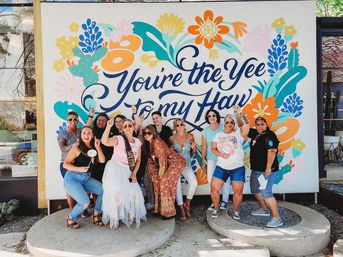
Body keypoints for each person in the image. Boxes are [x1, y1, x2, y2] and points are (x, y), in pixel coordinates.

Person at [101, 118, 147, 229]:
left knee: (136, 193)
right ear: (122, 128)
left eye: (129, 125)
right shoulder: (119, 139)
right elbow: (105, 142)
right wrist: (108, 127)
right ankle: (114, 219)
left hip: (128, 170)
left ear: (133, 127)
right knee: (116, 195)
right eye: (125, 126)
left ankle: (132, 214)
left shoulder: (138, 142)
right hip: (115, 168)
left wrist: (134, 174)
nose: (127, 128)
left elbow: (138, 161)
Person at [210, 106, 249, 220]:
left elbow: (246, 125)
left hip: (237, 168)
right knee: (214, 189)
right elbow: (213, 149)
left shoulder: (238, 134)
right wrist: (221, 154)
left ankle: (236, 211)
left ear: (234, 124)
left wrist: (240, 113)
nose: (229, 123)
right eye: (227, 122)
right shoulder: (218, 135)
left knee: (238, 191)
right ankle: (216, 209)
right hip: (221, 167)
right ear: (224, 123)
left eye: (232, 122)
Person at [63, 125, 105, 229]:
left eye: (89, 133)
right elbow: (65, 164)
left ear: (93, 135)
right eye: (84, 133)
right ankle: (71, 219)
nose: (86, 135)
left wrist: (98, 147)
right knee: (85, 203)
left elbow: (102, 160)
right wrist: (79, 169)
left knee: (103, 190)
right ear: (80, 135)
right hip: (73, 178)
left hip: (86, 178)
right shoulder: (76, 148)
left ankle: (96, 214)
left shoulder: (94, 147)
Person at [247, 116, 283, 228]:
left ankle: (277, 218)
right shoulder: (255, 134)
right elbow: (242, 127)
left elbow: (272, 151)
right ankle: (263, 209)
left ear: (266, 125)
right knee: (255, 190)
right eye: (257, 124)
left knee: (266, 193)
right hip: (256, 170)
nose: (259, 126)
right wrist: (239, 114)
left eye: (262, 124)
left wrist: (268, 168)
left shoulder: (270, 135)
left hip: (267, 171)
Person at [143, 125, 185, 219]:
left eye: (149, 133)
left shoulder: (157, 142)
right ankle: (159, 209)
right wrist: (154, 175)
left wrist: (160, 175)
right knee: (159, 182)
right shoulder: (148, 144)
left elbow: (162, 160)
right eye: (145, 133)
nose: (147, 135)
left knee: (164, 182)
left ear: (153, 133)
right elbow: (152, 162)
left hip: (176, 162)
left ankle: (169, 212)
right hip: (168, 164)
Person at [57, 108, 94, 217]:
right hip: (67, 163)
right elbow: (62, 148)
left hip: (80, 163)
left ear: (77, 120)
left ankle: (83, 209)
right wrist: (74, 145)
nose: (73, 121)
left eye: (75, 119)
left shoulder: (79, 131)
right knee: (71, 189)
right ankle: (74, 210)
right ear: (67, 121)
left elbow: (87, 127)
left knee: (84, 186)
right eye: (70, 119)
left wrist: (91, 115)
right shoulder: (63, 134)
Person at [201, 109, 230, 211]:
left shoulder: (223, 127)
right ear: (207, 119)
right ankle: (215, 201)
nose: (212, 117)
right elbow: (204, 146)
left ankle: (225, 201)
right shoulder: (205, 131)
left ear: (217, 116)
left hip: (223, 158)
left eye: (213, 115)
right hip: (211, 159)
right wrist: (203, 161)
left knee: (225, 180)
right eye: (209, 116)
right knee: (211, 181)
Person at [170, 118, 198, 221]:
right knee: (178, 188)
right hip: (176, 166)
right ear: (175, 127)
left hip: (187, 165)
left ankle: (187, 205)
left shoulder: (190, 136)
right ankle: (182, 211)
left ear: (184, 125)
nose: (180, 126)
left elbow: (193, 152)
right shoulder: (172, 138)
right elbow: (170, 153)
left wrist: (194, 148)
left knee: (194, 183)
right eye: (177, 125)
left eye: (181, 124)